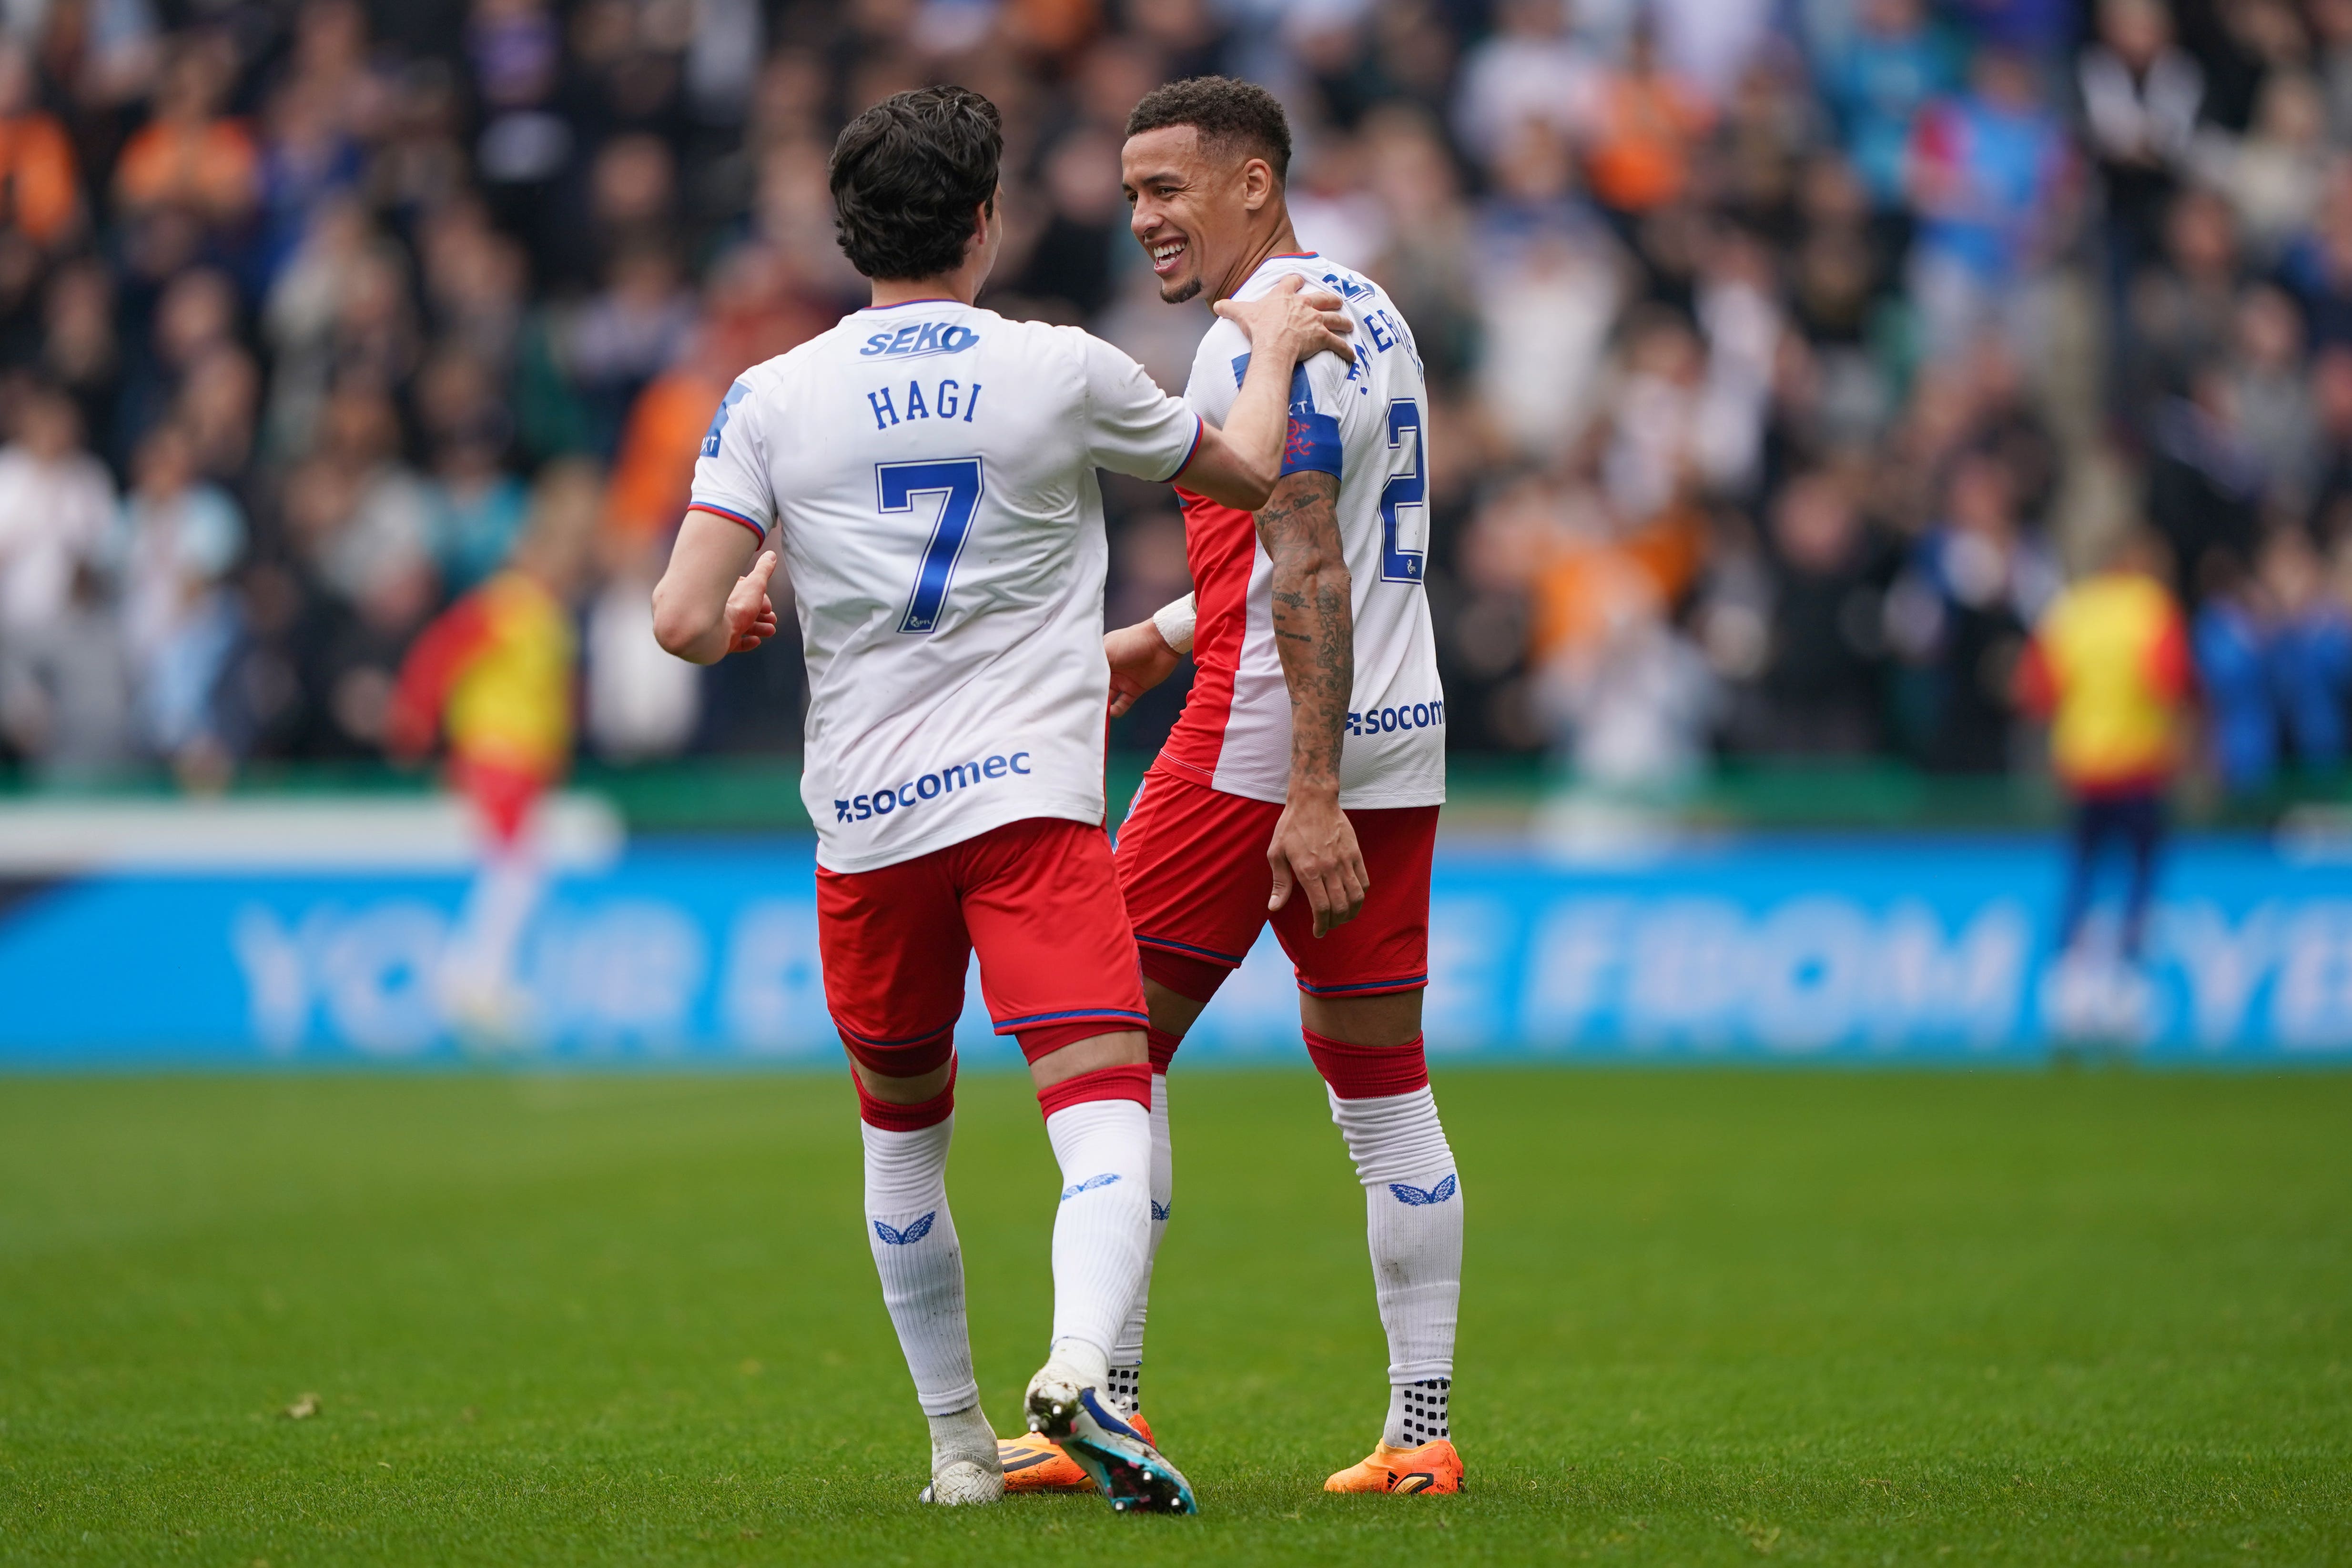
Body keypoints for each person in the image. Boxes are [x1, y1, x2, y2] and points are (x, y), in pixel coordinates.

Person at [647, 85, 1353, 1512]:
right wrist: (1271, 345)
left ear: (850, 231)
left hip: (868, 825)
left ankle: (958, 1444)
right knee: (1099, 1107)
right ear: (985, 222)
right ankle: (1081, 1360)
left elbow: (676, 620)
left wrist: (747, 611)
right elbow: (1256, 475)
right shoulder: (1058, 367)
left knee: (901, 1133)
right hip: (1029, 806)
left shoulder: (773, 393)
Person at [998, 76, 1464, 1499]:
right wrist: (1160, 627)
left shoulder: (1251, 349)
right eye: (1131, 190)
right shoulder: (1365, 308)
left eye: (1166, 189)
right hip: (1400, 735)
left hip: (1262, 749)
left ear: (1252, 182)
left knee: (1101, 1053)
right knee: (1381, 1087)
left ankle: (1109, 1401)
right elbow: (1331, 555)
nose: (1140, 216)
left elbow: (1311, 560)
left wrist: (1300, 792)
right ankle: (1420, 1429)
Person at [385, 460, 595, 1035]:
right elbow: (440, 654)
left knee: (517, 871)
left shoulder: (545, 615)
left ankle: (477, 977)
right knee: (516, 872)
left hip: (523, 760)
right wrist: (416, 720)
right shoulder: (509, 605)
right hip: (497, 754)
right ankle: (477, 980)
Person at [2014, 527, 2191, 967]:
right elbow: (2170, 683)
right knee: (2141, 872)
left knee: (2082, 872)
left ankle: (2069, 971)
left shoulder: (2069, 611)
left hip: (2082, 768)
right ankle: (2130, 969)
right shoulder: (2151, 608)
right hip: (2138, 765)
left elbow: (2036, 692)